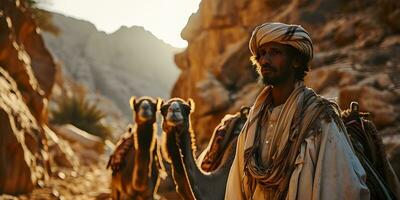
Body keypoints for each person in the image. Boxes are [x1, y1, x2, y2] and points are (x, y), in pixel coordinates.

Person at [225, 22, 370, 200]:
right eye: (261, 54)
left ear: (296, 60)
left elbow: (340, 187)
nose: (264, 60)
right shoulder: (253, 123)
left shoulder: (320, 119)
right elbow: (236, 190)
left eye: (275, 52)